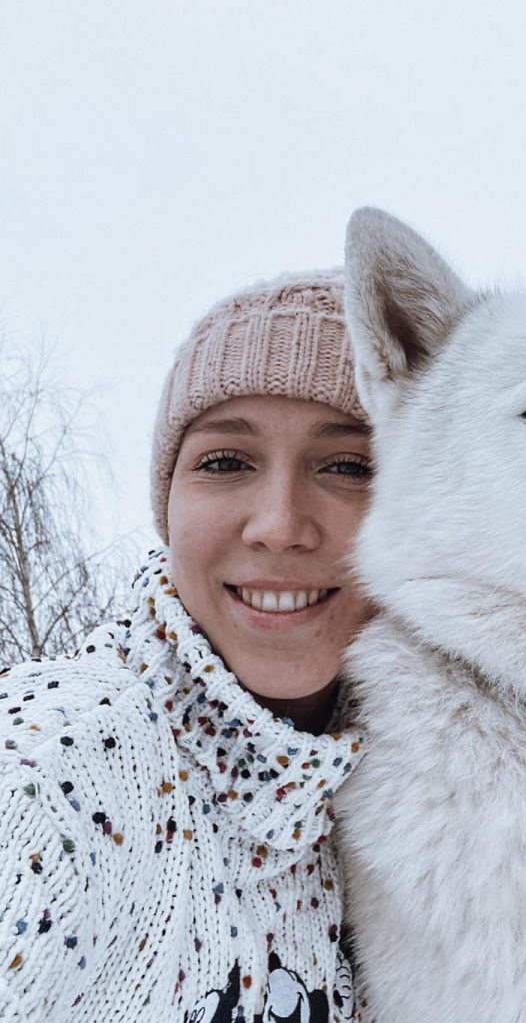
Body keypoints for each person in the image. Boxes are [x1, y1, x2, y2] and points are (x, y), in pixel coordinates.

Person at [0, 272, 373, 1022]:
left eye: (349, 467)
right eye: (226, 462)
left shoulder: (423, 806)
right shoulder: (51, 769)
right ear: (167, 507)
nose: (278, 524)